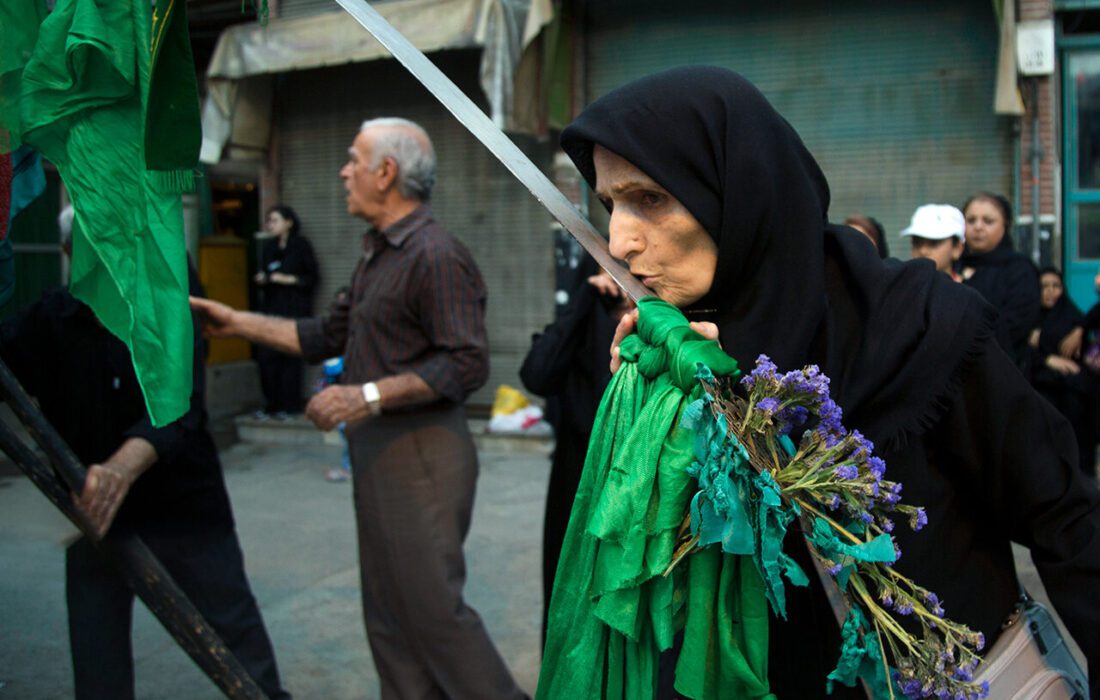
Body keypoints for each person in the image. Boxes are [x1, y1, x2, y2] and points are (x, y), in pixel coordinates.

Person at [555, 66, 1100, 697]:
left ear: (741, 189)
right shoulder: (672, 353)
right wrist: (654, 419)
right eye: (609, 204)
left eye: (650, 198)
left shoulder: (920, 327)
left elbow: (1066, 519)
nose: (619, 240)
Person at [190, 118, 527, 699]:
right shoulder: (379, 254)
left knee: (432, 617)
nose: (342, 171)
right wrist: (236, 320)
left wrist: (364, 395)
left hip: (421, 453)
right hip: (380, 453)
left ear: (386, 173)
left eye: (353, 159)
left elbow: (466, 363)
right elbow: (324, 334)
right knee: (388, 623)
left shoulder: (436, 253)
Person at [0, 210, 290, 700]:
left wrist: (121, 467)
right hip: (96, 516)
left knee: (239, 649)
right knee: (98, 667)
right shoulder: (54, 316)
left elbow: (178, 408)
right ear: (71, 256)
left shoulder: (168, 300)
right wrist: (102, 481)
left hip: (183, 510)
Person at [519, 256, 627, 645]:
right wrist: (584, 299)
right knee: (570, 593)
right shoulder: (587, 322)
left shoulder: (658, 328)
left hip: (629, 489)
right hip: (575, 476)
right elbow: (537, 373)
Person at [1028, 267, 1097, 477]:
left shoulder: (1074, 318)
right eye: (1044, 287)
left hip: (1070, 386)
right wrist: (1047, 359)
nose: (1050, 292)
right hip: (1039, 381)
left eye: (1055, 286)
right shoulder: (1027, 319)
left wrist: (1081, 329)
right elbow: (1019, 352)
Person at [959, 192, 1041, 365]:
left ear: (1006, 225)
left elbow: (1017, 324)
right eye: (971, 220)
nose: (978, 227)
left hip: (1004, 367)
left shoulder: (1019, 269)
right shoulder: (954, 264)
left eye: (988, 221)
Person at [253, 205, 318, 419]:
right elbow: (264, 273)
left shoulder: (300, 246)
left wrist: (287, 279)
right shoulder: (269, 247)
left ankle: (290, 406)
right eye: (269, 221)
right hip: (271, 309)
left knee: (290, 359)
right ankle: (271, 404)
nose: (271, 225)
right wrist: (264, 279)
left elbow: (312, 278)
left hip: (293, 311)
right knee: (268, 358)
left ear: (289, 222)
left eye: (275, 220)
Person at [899, 203, 965, 280]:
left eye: (934, 243)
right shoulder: (901, 290)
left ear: (957, 249)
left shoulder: (973, 290)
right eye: (917, 242)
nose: (923, 251)